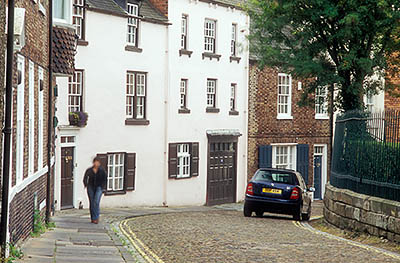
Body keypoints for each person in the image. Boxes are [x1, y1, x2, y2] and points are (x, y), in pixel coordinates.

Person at [83, 157, 107, 224]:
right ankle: (93, 218)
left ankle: (96, 217)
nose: (96, 163)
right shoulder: (89, 170)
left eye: (98, 162)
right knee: (92, 202)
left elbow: (105, 179)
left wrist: (103, 187)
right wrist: (86, 185)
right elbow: (85, 178)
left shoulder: (102, 171)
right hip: (90, 187)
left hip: (99, 187)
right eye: (95, 162)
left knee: (96, 202)